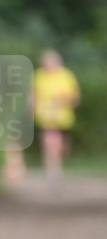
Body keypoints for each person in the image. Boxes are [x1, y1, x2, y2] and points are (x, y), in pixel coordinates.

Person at [32, 50, 80, 184]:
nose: (48, 65)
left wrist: (60, 101)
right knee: (49, 144)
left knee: (63, 148)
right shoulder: (39, 75)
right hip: (45, 118)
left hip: (64, 119)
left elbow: (75, 98)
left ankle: (56, 166)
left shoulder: (66, 76)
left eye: (51, 62)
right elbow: (33, 94)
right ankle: (53, 172)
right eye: (45, 62)